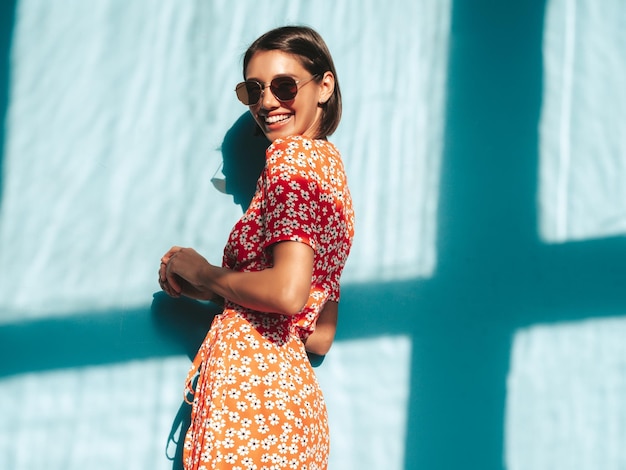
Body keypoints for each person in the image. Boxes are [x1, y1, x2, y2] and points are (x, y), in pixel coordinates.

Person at [159, 25, 354, 470]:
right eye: (254, 90)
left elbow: (287, 293)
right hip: (292, 404)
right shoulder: (333, 176)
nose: (267, 102)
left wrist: (205, 271)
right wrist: (214, 293)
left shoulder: (292, 161)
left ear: (324, 86)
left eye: (284, 87)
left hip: (253, 401)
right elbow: (319, 335)